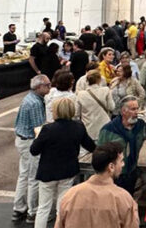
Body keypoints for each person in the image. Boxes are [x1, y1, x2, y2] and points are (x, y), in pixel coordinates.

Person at [31, 96, 97, 228]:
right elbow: (91, 146)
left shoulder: (48, 129)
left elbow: (34, 150)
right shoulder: (78, 126)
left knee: (43, 208)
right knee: (62, 207)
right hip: (68, 171)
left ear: (56, 111)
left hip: (48, 172)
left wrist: (38, 137)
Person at [54, 142, 138, 228]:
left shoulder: (71, 195)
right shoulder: (123, 199)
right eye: (121, 161)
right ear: (111, 167)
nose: (123, 164)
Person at [12, 74, 51, 222]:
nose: (50, 87)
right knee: (33, 177)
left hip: (22, 139)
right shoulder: (35, 103)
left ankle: (18, 208)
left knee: (23, 175)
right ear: (39, 87)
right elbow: (38, 129)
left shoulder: (29, 98)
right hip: (29, 141)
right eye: (47, 85)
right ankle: (32, 211)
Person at [97, 95, 146, 195]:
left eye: (137, 108)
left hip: (132, 173)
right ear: (123, 111)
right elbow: (100, 154)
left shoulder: (140, 126)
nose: (136, 112)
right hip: (114, 176)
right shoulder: (109, 130)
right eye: (133, 109)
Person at [77, 70, 115, 142]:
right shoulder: (106, 90)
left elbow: (76, 113)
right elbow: (111, 107)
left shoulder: (81, 94)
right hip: (105, 126)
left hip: (88, 129)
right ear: (99, 79)